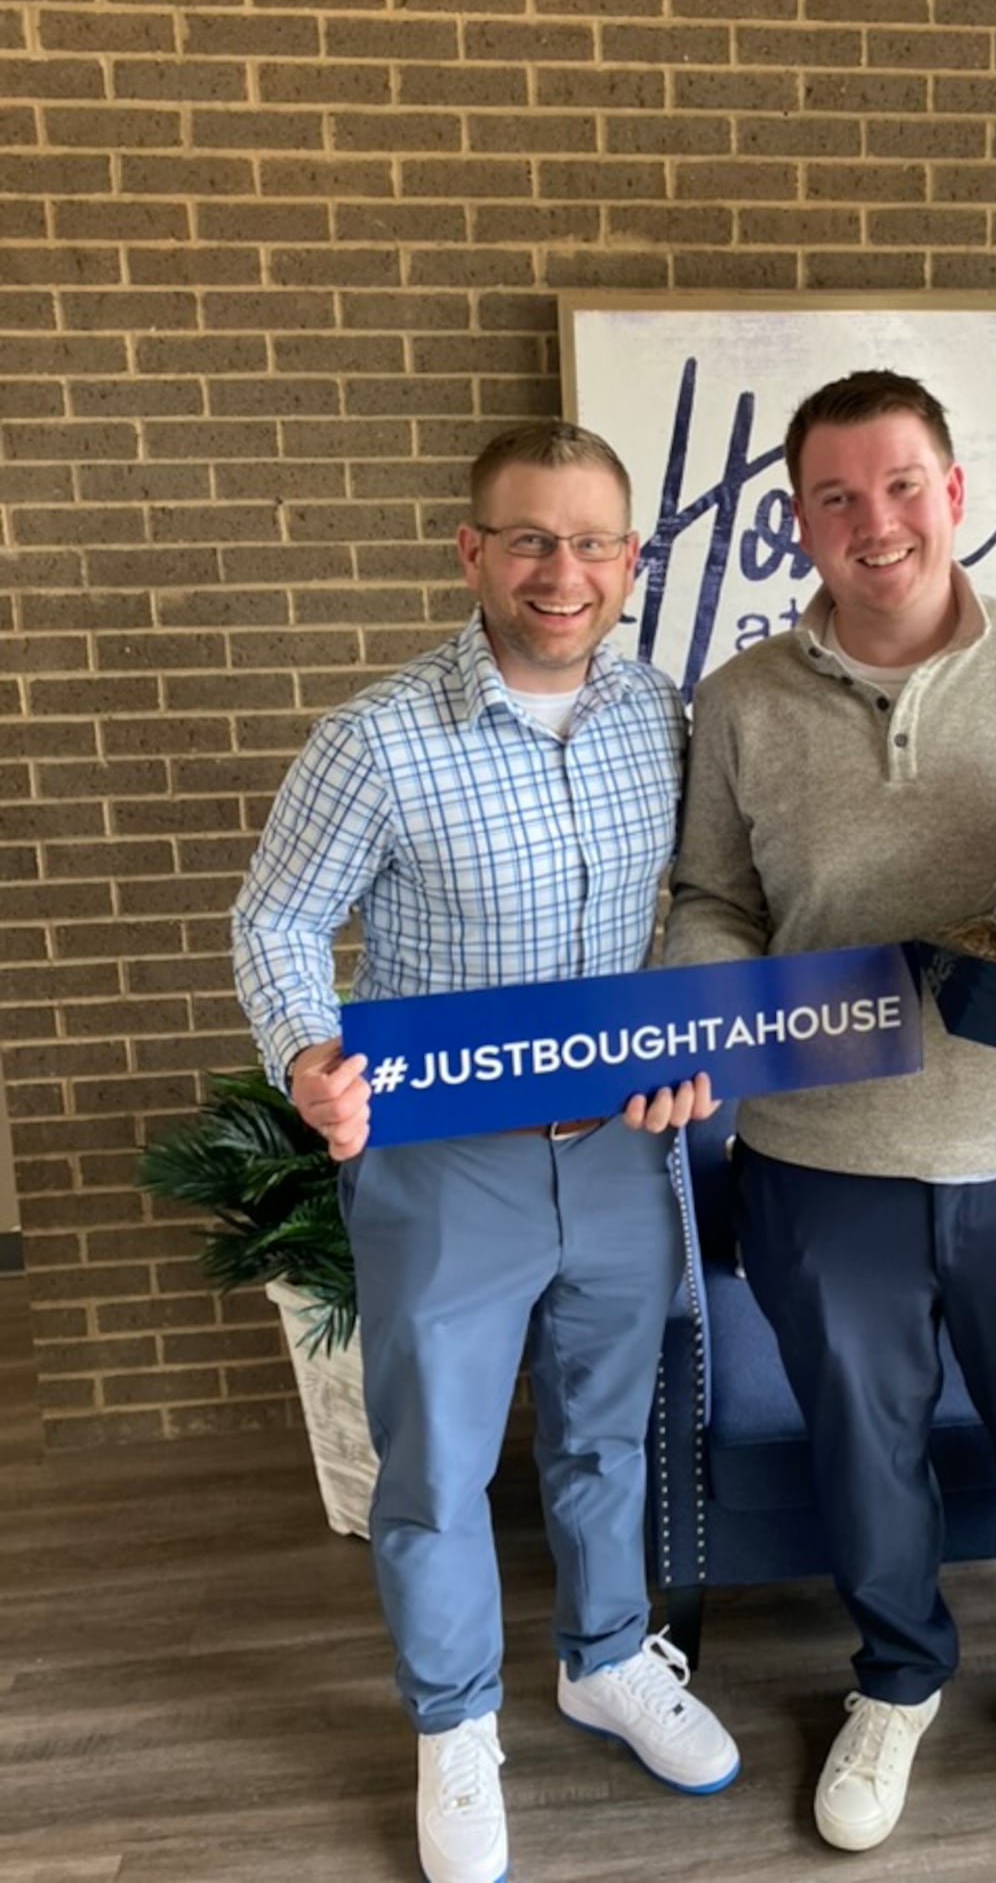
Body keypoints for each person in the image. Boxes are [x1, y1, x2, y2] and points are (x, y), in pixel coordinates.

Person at [664, 370, 996, 1854]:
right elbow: (714, 897)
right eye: (835, 496)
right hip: (823, 1160)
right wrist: (706, 1014)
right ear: (799, 520)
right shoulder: (741, 700)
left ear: (953, 492)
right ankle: (896, 1676)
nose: (873, 522)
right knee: (860, 1447)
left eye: (900, 486)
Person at [232, 422, 739, 1883]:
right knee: (440, 1467)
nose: (560, 570)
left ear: (631, 561)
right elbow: (275, 921)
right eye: (528, 538)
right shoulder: (377, 739)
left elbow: (703, 903)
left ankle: (600, 1659)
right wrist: (307, 1053)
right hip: (446, 1167)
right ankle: (454, 1726)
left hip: (626, 1156)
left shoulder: (661, 714)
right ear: (472, 551)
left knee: (600, 1430)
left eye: (592, 541)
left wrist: (699, 1029)